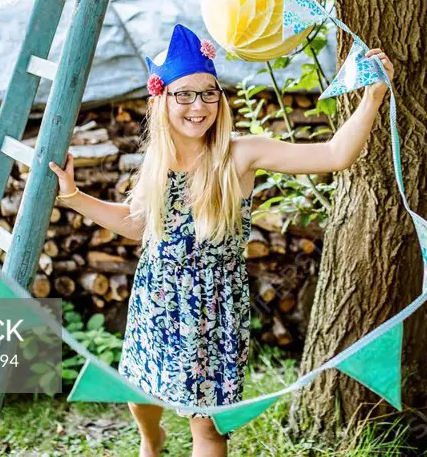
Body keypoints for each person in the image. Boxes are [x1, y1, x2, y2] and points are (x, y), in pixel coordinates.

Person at [49, 24, 394, 457]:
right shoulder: (157, 163)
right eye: (185, 94)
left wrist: (373, 97)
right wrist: (73, 197)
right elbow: (139, 225)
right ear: (162, 101)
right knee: (140, 392)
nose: (199, 106)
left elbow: (333, 156)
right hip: (156, 296)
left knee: (207, 426)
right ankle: (150, 441)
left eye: (209, 93)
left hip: (214, 305)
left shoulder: (240, 154)